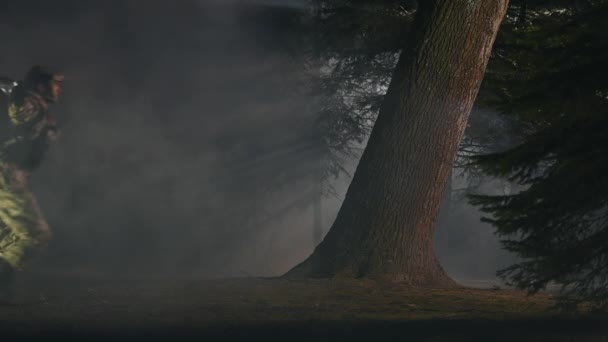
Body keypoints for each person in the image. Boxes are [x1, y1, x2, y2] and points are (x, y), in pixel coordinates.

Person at [0, 66, 64, 304]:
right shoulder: (31, 102)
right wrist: (16, 92)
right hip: (6, 172)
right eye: (54, 84)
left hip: (11, 173)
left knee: (7, 236)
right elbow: (19, 112)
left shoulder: (42, 109)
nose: (58, 89)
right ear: (40, 85)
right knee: (35, 234)